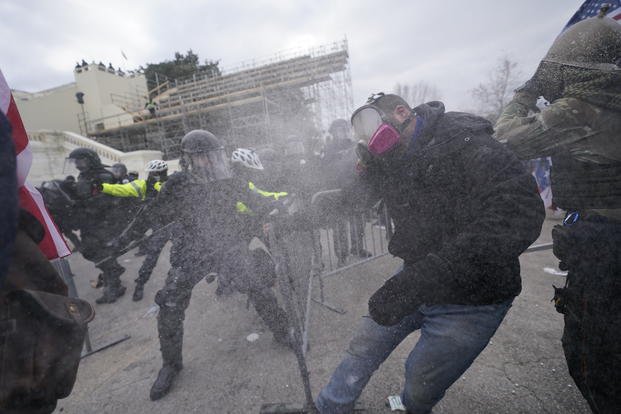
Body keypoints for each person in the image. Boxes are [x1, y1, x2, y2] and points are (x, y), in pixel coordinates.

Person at [315, 93, 545, 414]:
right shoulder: (392, 159)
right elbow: (355, 200)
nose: (369, 138)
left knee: (421, 381)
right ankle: (329, 408)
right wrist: (300, 218)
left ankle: (409, 407)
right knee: (365, 344)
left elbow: (518, 213)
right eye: (362, 132)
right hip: (417, 278)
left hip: (472, 298)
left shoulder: (465, 142)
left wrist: (424, 278)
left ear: (402, 111)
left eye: (371, 123)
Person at [494, 12, 621, 414]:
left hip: (607, 245)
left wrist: (526, 91)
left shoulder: (581, 110)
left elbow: (506, 138)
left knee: (594, 354)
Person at [120, 131, 291, 401]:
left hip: (227, 244)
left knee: (257, 287)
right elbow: (152, 214)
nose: (209, 161)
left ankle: (283, 332)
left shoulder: (229, 179)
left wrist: (279, 205)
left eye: (213, 155)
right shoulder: (177, 184)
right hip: (191, 251)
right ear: (189, 159)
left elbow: (254, 200)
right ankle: (170, 364)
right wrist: (123, 239)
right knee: (170, 304)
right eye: (202, 157)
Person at [65, 148, 129, 304]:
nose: (78, 165)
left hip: (104, 223)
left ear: (90, 160)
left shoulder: (103, 176)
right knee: (89, 252)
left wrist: (82, 204)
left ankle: (113, 286)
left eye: (81, 161)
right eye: (76, 162)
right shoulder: (83, 176)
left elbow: (105, 201)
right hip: (89, 223)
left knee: (103, 255)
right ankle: (114, 272)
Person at [100, 159, 169, 301]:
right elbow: (123, 189)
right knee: (125, 237)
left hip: (163, 223)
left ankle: (140, 284)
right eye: (153, 173)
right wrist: (102, 187)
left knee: (153, 255)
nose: (155, 176)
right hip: (145, 217)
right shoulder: (143, 184)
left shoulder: (169, 184)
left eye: (158, 173)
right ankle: (110, 257)